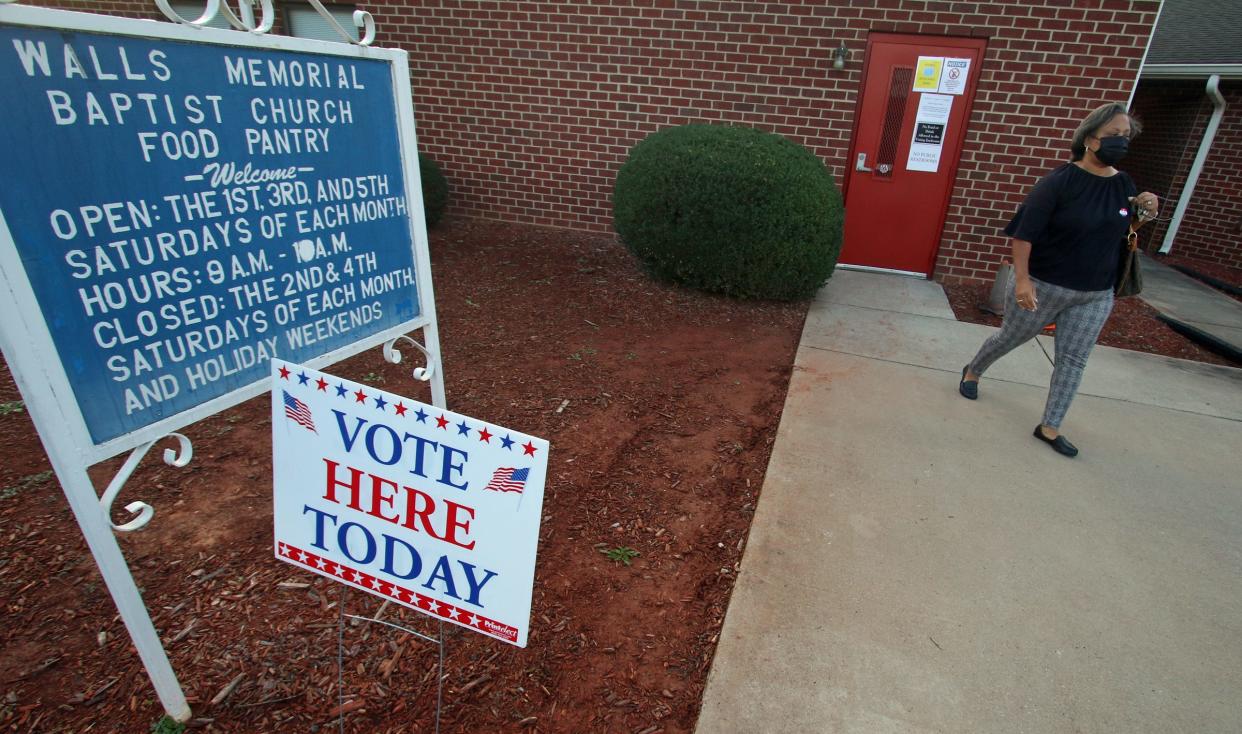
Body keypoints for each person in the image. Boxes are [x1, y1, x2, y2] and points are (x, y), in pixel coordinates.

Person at [958, 102, 1159, 457]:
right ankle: (973, 370)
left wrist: (1144, 213)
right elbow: (1024, 235)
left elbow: (1122, 230)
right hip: (1045, 285)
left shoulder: (1124, 183)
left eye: (1126, 136)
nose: (1122, 142)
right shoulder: (1057, 183)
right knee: (1011, 337)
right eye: (1114, 135)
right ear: (1091, 139)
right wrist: (1022, 281)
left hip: (1095, 293)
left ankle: (1049, 426)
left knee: (1073, 360)